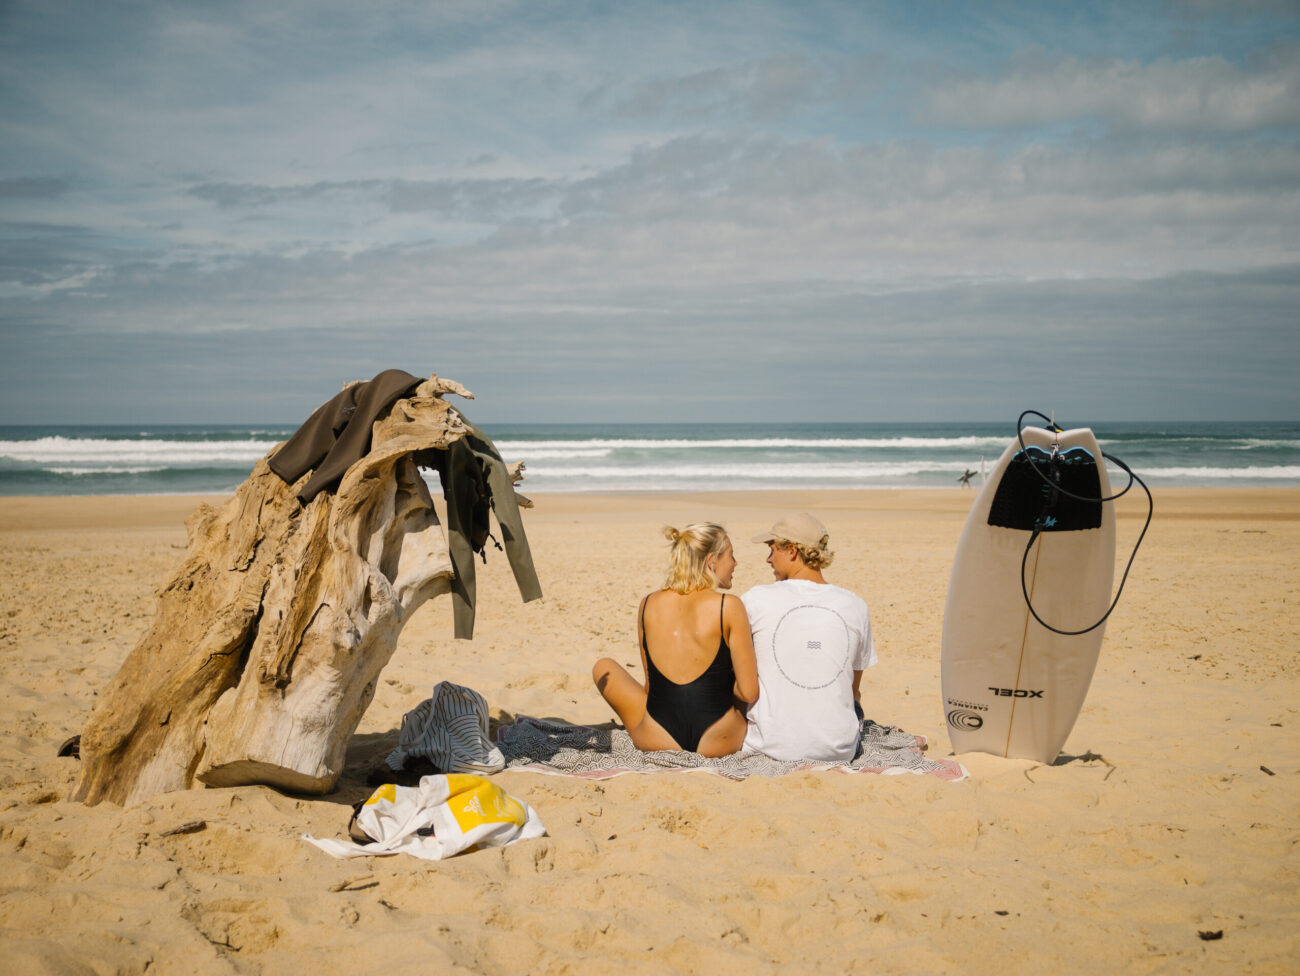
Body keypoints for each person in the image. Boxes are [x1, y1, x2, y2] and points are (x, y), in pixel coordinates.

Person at [592, 523, 759, 757]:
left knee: (603, 667)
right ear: (711, 560)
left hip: (657, 737)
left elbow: (651, 689)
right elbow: (749, 693)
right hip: (718, 740)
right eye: (731, 555)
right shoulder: (728, 606)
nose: (735, 563)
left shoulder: (647, 603)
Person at [740, 513, 875, 762]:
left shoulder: (754, 600)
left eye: (772, 550)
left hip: (770, 746)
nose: (767, 559)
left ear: (791, 551)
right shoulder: (855, 605)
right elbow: (852, 690)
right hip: (838, 749)